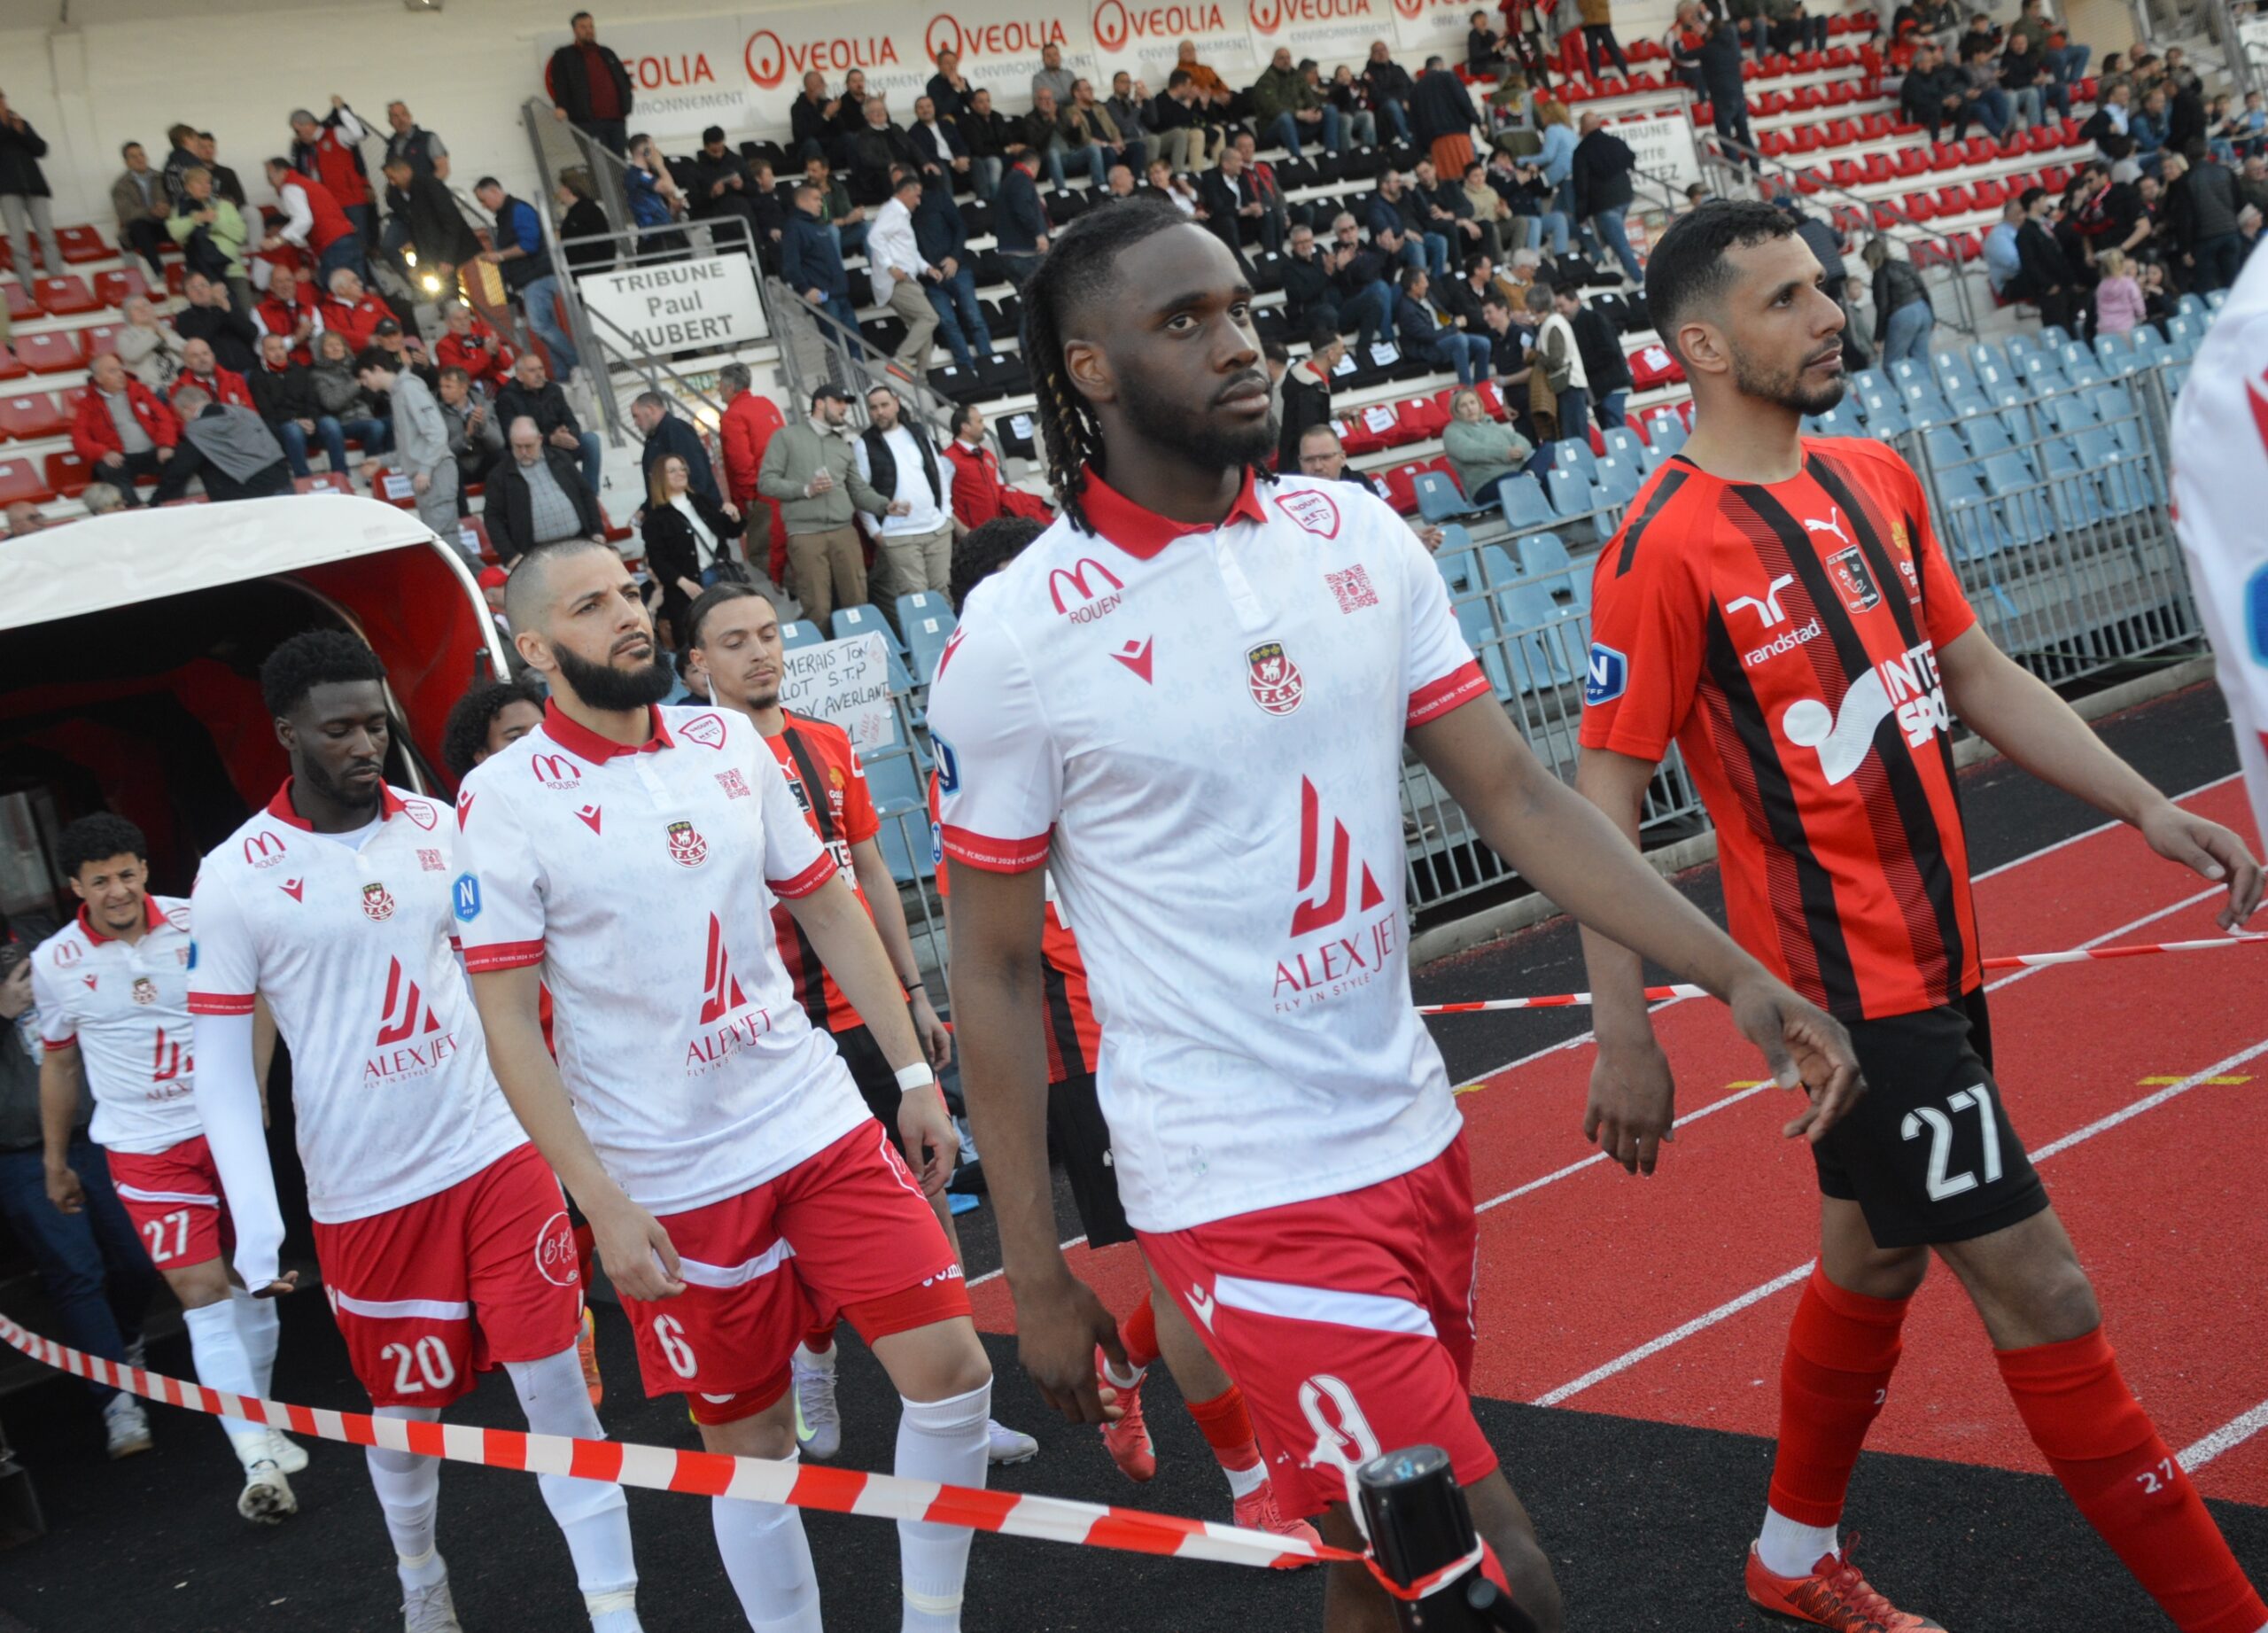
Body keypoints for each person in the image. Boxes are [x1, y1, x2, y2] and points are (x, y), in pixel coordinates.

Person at [934, 198, 1863, 1633]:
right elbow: (993, 969)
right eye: (1184, 321)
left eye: (1239, 309)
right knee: (1487, 1570)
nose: (1238, 343)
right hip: (1238, 1188)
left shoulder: (1355, 535)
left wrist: (1730, 972)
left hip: (1414, 1135)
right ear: (1089, 370)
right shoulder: (1017, 638)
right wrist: (1038, 1268)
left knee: (1378, 1577)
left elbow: (1518, 794)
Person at [1579, 197, 2268, 1633]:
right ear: (1700, 345)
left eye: (1824, 284)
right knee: (2048, 1290)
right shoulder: (1661, 547)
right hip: (1847, 1004)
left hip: (1944, 961)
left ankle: (1789, 1554)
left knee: (1876, 1253)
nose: (1832, 311)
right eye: (1785, 299)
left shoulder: (1875, 473)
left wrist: (2146, 805)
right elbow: (1602, 809)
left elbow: (1976, 668)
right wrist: (1622, 1029)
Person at [458, 542, 995, 1633]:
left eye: (631, 592)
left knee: (954, 1371)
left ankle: (931, 1624)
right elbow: (505, 1022)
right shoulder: (499, 798)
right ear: (535, 648)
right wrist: (600, 1202)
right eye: (592, 605)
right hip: (672, 1173)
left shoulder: (723, 741)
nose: (628, 614)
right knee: (751, 1451)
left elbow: (827, 903)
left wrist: (909, 1074)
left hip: (811, 1117)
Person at [189, 630, 645, 1633]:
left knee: (556, 1389)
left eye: (376, 722)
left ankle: (615, 1611)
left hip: (495, 1153)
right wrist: (256, 1223)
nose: (365, 744)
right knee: (407, 1420)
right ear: (286, 731)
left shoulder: (446, 828)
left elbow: (519, 981)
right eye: (339, 729)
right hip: (367, 1192)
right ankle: (420, 1572)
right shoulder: (233, 877)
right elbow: (218, 1066)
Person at [677, 584, 1034, 1470]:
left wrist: (911, 993)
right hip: (773, 1039)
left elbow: (869, 869)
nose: (760, 651)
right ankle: (814, 1361)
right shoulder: (684, 767)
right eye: (734, 640)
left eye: (768, 633)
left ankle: (965, 1404)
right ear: (696, 663)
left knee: (926, 1186)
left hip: (864, 1016)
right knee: (792, 1225)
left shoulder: (826, 742)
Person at [32, 813, 305, 1515]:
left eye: (127, 873)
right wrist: (57, 1159)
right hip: (144, 1148)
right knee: (202, 1294)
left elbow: (258, 998)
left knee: (255, 1282)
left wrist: (254, 1084)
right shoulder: (55, 962)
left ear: (145, 869)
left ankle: (260, 1418)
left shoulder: (198, 919)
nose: (118, 890)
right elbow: (59, 1064)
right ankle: (256, 1459)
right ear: (76, 887)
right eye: (100, 881)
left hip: (224, 1130)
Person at [1, 938, 161, 1463]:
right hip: (20, 1151)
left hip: (97, 1129)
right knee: (76, 1271)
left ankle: (125, 1342)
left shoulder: (44, 944)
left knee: (140, 1258)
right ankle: (117, 1402)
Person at [757, 383, 900, 626]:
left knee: (857, 604)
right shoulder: (786, 437)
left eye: (846, 403)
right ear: (820, 403)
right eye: (838, 401)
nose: (844, 407)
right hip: (805, 534)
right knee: (817, 609)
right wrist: (805, 489)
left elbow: (858, 490)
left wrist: (885, 506)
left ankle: (862, 648)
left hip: (844, 532)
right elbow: (766, 482)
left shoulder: (841, 445)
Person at [853, 385, 959, 613]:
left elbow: (938, 472)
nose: (880, 412)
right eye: (873, 408)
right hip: (898, 535)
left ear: (896, 403)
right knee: (916, 598)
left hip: (936, 528)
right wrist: (874, 531)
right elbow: (860, 491)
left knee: (945, 593)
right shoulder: (865, 443)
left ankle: (949, 636)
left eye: (884, 405)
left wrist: (946, 513)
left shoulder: (917, 431)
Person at [474, 175, 582, 379]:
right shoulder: (509, 214)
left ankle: (576, 363)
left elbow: (529, 245)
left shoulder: (518, 211)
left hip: (537, 276)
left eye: (483, 200)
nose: (483, 206)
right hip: (533, 276)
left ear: (495, 192)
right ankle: (564, 375)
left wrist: (500, 256)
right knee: (546, 327)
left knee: (540, 325)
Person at [641, 452, 746, 648]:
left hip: (722, 576)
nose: (680, 473)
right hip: (689, 589)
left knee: (737, 632)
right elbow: (657, 560)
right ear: (660, 477)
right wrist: (683, 583)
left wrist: (735, 517)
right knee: (704, 641)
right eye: (672, 470)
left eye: (683, 469)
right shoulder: (655, 520)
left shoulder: (702, 501)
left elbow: (730, 531)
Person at [356, 346, 457, 537]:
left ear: (377, 369)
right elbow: (413, 444)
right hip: (429, 474)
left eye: (364, 376)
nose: (363, 383)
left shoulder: (408, 388)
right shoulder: (398, 393)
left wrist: (425, 470)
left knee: (443, 540)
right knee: (443, 539)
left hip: (435, 473)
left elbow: (437, 432)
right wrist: (381, 461)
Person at [72, 352, 190, 509]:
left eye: (120, 369)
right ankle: (136, 509)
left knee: (184, 455)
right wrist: (103, 453)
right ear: (98, 378)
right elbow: (79, 439)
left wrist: (166, 444)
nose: (120, 374)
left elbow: (165, 418)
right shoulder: (87, 404)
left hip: (154, 452)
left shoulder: (140, 390)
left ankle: (161, 503)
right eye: (112, 371)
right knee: (107, 468)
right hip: (122, 458)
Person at [490, 414, 607, 564]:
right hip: (536, 556)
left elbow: (586, 493)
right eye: (518, 446)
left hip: (578, 542)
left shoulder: (561, 459)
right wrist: (510, 555)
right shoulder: (500, 475)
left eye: (528, 446)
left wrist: (597, 531)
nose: (524, 452)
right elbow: (493, 518)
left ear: (540, 439)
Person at [913, 177, 997, 376]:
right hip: (930, 278)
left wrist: (954, 257)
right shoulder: (900, 213)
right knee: (948, 323)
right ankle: (966, 368)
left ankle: (989, 363)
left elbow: (960, 226)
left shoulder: (939, 198)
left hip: (958, 269)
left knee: (974, 318)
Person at [498, 350, 605, 499]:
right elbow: (510, 437)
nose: (539, 374)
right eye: (532, 371)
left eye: (541, 369)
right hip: (533, 451)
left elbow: (572, 422)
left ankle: (591, 496)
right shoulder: (507, 398)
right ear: (520, 376)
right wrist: (550, 439)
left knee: (591, 440)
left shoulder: (554, 390)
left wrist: (569, 433)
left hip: (560, 446)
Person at [867, 169, 943, 377]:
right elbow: (874, 237)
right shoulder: (892, 211)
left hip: (906, 278)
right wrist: (890, 266)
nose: (919, 201)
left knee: (923, 328)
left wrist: (927, 268)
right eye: (917, 195)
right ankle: (901, 360)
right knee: (929, 317)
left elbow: (909, 252)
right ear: (906, 191)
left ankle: (924, 377)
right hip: (898, 281)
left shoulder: (901, 215)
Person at [169, 385, 291, 501]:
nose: (183, 420)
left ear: (187, 409)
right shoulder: (243, 412)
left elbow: (184, 465)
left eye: (180, 415)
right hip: (281, 476)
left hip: (252, 490)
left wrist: (160, 498)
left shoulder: (197, 430)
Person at [940, 403, 1052, 530]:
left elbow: (1000, 487)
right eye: (979, 422)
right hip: (972, 532)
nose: (984, 426)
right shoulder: (948, 459)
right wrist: (960, 530)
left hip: (997, 528)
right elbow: (943, 499)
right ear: (965, 427)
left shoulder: (987, 455)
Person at [250, 331, 345, 480]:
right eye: (272, 349)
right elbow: (266, 411)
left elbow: (312, 399)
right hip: (283, 426)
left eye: (281, 348)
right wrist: (295, 420)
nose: (278, 353)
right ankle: (304, 480)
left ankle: (341, 476)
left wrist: (311, 419)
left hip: (309, 422)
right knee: (293, 431)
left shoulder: (299, 369)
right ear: (263, 352)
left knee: (331, 424)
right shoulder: (257, 377)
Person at [781, 182, 861, 343]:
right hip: (824, 297)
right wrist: (805, 289)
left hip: (840, 294)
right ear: (802, 201)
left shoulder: (818, 226)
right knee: (836, 344)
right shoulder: (794, 227)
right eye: (816, 199)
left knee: (855, 343)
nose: (821, 204)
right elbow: (790, 265)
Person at [548, 10, 633, 157]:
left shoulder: (607, 53)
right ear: (575, 30)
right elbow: (560, 84)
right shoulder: (564, 55)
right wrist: (561, 106)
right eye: (583, 27)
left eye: (591, 26)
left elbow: (623, 80)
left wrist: (626, 104)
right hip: (588, 122)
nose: (589, 30)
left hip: (616, 121)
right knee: (598, 163)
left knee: (619, 163)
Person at [1572, 113, 1643, 284]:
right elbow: (1631, 159)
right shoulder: (1615, 142)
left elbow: (1581, 185)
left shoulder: (1582, 151)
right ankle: (1626, 273)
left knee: (1620, 245)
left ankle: (1639, 280)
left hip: (1604, 204)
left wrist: (1580, 214)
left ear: (1582, 128)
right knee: (1615, 241)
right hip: (1625, 197)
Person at [171, 167, 252, 312]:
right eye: (199, 183)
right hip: (203, 276)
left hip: (233, 270)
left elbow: (240, 234)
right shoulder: (180, 209)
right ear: (188, 187)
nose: (205, 186)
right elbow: (177, 234)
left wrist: (214, 222)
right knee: (215, 316)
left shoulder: (225, 206)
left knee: (245, 314)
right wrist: (197, 219)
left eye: (208, 183)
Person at [0, 90, 58, 280]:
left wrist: (22, 133)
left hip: (35, 187)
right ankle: (29, 290)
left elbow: (41, 149)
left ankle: (58, 282)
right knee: (18, 242)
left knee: (47, 236)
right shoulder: (10, 125)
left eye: (1, 97)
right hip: (7, 190)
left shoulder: (20, 123)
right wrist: (7, 127)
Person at [1441, 384, 1534, 502]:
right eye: (1463, 406)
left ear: (1479, 404)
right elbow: (1471, 452)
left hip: (1514, 471)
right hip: (1485, 483)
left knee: (1548, 449)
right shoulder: (1451, 432)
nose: (1470, 408)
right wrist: (1505, 453)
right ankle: (1531, 478)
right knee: (1521, 481)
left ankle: (1531, 477)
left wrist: (1519, 449)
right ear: (1456, 410)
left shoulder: (1489, 422)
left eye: (1472, 403)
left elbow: (1521, 440)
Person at [630, 390, 719, 507]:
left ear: (650, 409)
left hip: (696, 509)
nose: (636, 423)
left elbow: (696, 476)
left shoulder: (677, 430)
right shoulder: (654, 438)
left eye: (636, 416)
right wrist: (645, 509)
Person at [1561, 284, 1632, 428]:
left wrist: (1582, 365)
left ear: (1576, 301)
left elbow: (1610, 350)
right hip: (1597, 390)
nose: (1559, 311)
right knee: (1608, 432)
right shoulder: (1572, 325)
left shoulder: (1595, 318)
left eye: (1561, 306)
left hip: (1611, 386)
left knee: (1615, 432)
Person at [1253, 46, 1341, 160]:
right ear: (1273, 60)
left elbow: (1309, 97)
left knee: (1330, 110)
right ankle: (1298, 160)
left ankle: (1332, 155)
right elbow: (1272, 107)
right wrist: (1298, 114)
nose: (1286, 61)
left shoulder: (1297, 75)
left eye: (1288, 58)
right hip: (1274, 127)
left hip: (1301, 122)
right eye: (1281, 58)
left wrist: (1316, 110)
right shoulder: (1265, 81)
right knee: (1285, 118)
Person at [1527, 280, 1588, 436]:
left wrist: (1534, 356)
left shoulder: (1553, 324)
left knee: (1574, 436)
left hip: (1569, 386)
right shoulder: (1552, 322)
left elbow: (1556, 360)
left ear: (1533, 307)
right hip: (1567, 386)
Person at [1278, 326, 1341, 474]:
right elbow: (1310, 432)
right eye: (1342, 349)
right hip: (1303, 466)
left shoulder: (1298, 372)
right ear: (1331, 354)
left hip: (1289, 454)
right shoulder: (1311, 391)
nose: (1344, 352)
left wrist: (1336, 415)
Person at [1411, 54, 1483, 183]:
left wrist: (1423, 149)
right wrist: (1478, 121)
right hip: (1459, 137)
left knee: (1449, 183)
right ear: (1441, 65)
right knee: (1471, 180)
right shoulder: (1449, 77)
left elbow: (1415, 123)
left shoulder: (1416, 89)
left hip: (1436, 145)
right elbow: (1464, 101)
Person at [1863, 237, 1935, 362]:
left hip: (1902, 314)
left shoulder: (1880, 273)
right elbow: (1923, 289)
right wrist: (1932, 315)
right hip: (1922, 308)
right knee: (1921, 359)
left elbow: (1883, 306)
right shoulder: (1905, 264)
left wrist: (1878, 338)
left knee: (1892, 364)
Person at [112, 140, 172, 278]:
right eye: (134, 157)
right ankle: (160, 272)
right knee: (139, 226)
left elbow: (175, 201)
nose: (139, 159)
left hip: (163, 224)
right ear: (126, 162)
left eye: (141, 155)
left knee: (188, 224)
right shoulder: (121, 186)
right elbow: (126, 214)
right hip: (139, 231)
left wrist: (168, 209)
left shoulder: (161, 177)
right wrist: (150, 211)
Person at [993, 152, 1051, 288]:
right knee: (1042, 293)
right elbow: (1023, 209)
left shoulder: (1010, 179)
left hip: (1010, 251)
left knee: (1028, 297)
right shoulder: (1021, 180)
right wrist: (1038, 233)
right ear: (1035, 166)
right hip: (1024, 253)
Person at [115, 294, 188, 392]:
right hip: (152, 389)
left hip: (180, 384)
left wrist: (165, 336)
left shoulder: (165, 331)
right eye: (136, 308)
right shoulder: (125, 336)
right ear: (128, 315)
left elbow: (188, 351)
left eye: (145, 305)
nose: (143, 310)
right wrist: (153, 331)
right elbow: (132, 355)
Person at [1983, 195, 2026, 295]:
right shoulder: (1998, 236)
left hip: (2025, 275)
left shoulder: (2022, 230)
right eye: (2019, 213)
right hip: (2009, 284)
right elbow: (2015, 264)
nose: (2023, 216)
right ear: (2008, 215)